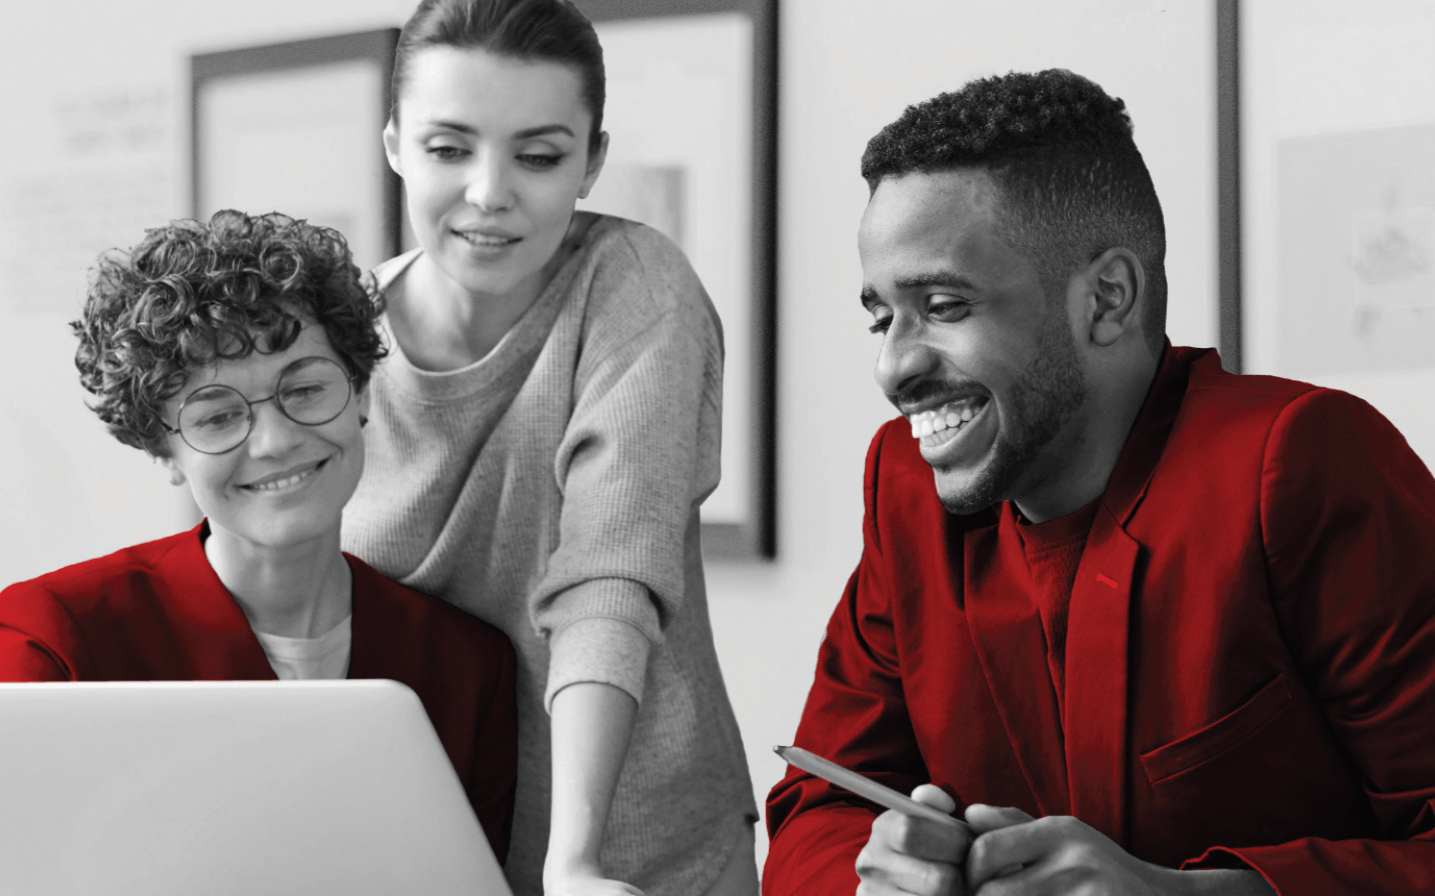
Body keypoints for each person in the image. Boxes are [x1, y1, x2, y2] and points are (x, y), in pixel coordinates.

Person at [763, 69, 1435, 895]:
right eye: (880, 318)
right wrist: (877, 878)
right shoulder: (902, 483)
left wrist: (1180, 895)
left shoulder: (1297, 464)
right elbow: (816, 805)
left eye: (942, 305)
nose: (891, 366)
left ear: (1107, 299)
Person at [339, 1, 757, 895]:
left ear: (590, 162)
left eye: (537, 156)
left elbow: (608, 575)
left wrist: (573, 863)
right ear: (395, 146)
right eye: (449, 149)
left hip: (638, 855)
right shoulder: (340, 336)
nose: (489, 193)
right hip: (425, 852)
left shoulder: (636, 290)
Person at [0, 210, 519, 861]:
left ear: (361, 394)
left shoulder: (468, 665)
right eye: (217, 417)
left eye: (304, 389)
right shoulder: (52, 640)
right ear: (162, 450)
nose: (275, 442)